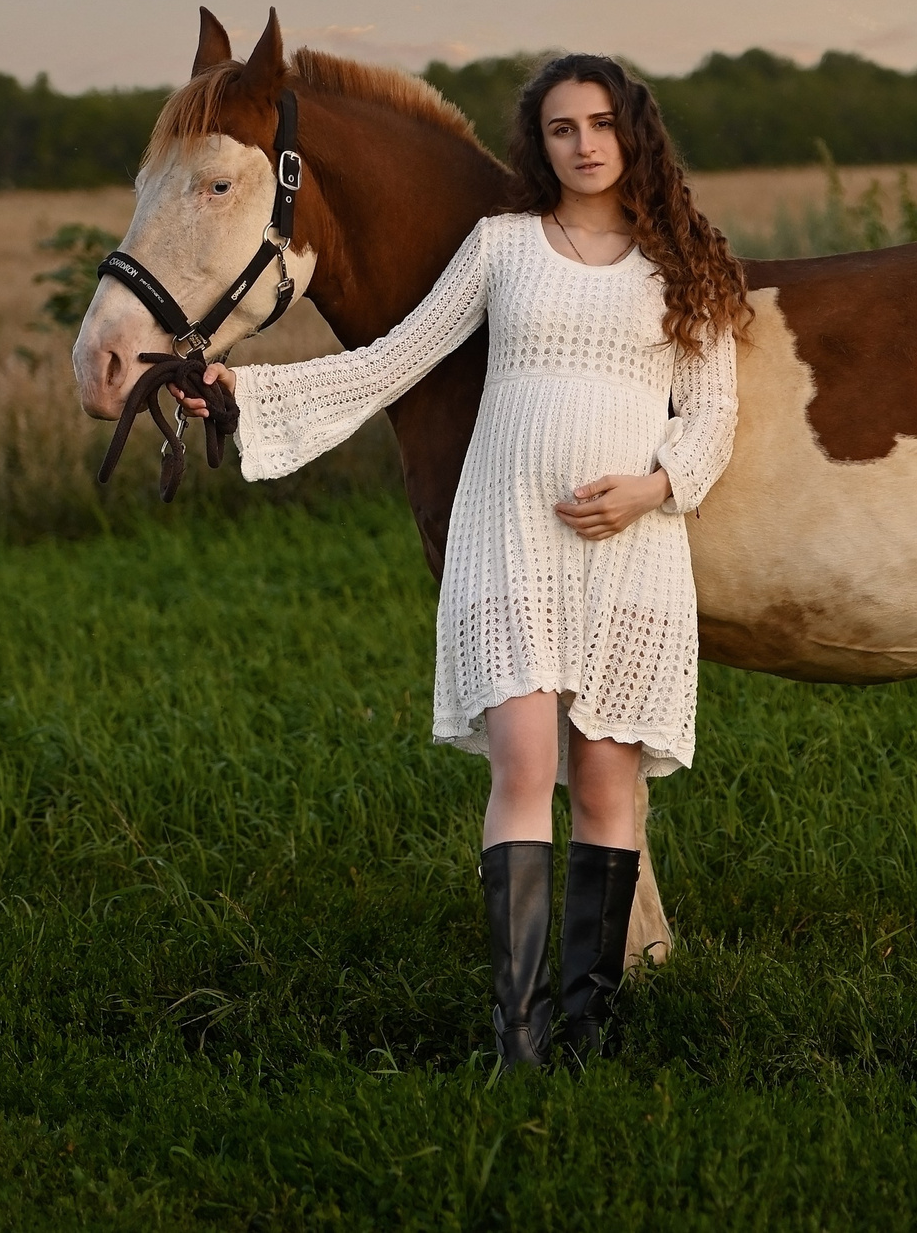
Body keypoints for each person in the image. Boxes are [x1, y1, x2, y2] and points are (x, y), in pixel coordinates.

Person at [187, 54, 747, 1069]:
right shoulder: (502, 247)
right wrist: (241, 392)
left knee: (608, 782)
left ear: (635, 136)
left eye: (600, 125)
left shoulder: (686, 260)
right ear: (538, 144)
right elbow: (393, 360)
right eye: (561, 128)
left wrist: (650, 488)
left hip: (632, 549)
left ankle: (588, 1025)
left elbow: (713, 417)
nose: (582, 145)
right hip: (511, 535)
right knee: (525, 766)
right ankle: (520, 1034)